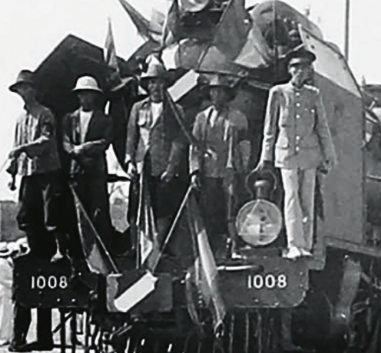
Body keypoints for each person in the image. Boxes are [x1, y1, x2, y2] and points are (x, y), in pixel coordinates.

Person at [257, 50, 336, 259]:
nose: (301, 72)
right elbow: (270, 128)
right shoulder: (278, 92)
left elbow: (322, 127)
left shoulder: (313, 95)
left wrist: (329, 154)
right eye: (297, 67)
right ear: (290, 70)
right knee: (291, 198)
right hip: (286, 155)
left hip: (310, 155)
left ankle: (306, 246)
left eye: (305, 68)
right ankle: (294, 245)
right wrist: (265, 157)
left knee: (306, 200)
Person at [6, 69, 73, 262]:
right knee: (26, 212)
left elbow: (46, 139)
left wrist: (22, 148)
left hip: (47, 170)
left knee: (52, 211)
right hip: (27, 172)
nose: (23, 92)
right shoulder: (20, 119)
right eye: (20, 89)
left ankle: (61, 249)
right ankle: (33, 249)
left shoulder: (45, 114)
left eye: (25, 88)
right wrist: (12, 172)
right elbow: (15, 146)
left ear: (34, 90)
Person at [125, 56, 190, 253]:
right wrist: (129, 161)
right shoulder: (138, 108)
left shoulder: (176, 110)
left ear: (165, 84)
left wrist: (171, 168)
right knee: (137, 209)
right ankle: (138, 249)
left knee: (163, 210)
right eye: (152, 82)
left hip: (163, 170)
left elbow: (179, 142)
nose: (155, 87)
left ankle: (158, 249)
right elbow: (131, 137)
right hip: (141, 167)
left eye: (159, 82)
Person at [190, 75, 250, 258]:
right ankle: (209, 251)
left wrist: (243, 167)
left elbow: (245, 144)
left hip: (230, 170)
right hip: (209, 170)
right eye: (214, 92)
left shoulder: (238, 117)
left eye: (221, 92)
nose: (217, 96)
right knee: (208, 210)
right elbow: (195, 146)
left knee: (231, 208)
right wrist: (194, 171)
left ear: (227, 95)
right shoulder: (201, 118)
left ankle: (234, 247)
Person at [62, 75, 115, 267]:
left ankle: (102, 255)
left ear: (95, 96)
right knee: (79, 214)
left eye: (89, 94)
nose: (85, 98)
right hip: (77, 171)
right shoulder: (70, 118)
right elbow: (66, 141)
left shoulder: (104, 119)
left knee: (98, 213)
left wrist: (85, 149)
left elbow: (105, 142)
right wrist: (75, 152)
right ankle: (81, 256)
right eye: (82, 94)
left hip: (96, 172)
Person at [0, 242, 16, 346]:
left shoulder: (8, 262)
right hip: (4, 289)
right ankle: (1, 337)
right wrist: (14, 284)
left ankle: (7, 336)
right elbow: (2, 280)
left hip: (8, 291)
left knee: (8, 315)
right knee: (2, 314)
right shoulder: (1, 264)